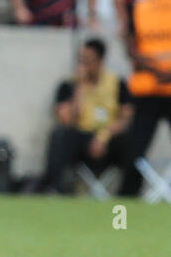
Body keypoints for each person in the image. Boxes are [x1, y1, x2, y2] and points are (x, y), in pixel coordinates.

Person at [35, 38, 135, 194]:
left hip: (109, 138)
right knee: (60, 136)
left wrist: (104, 136)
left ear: (100, 61)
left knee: (134, 140)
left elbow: (126, 119)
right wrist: (79, 88)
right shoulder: (68, 85)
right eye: (80, 60)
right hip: (82, 138)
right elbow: (67, 120)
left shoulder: (117, 83)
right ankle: (55, 189)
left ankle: (129, 192)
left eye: (88, 60)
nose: (83, 65)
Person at [124, 0, 171, 195]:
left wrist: (154, 70)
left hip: (147, 86)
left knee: (137, 146)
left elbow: (131, 48)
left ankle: (129, 192)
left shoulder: (139, 7)